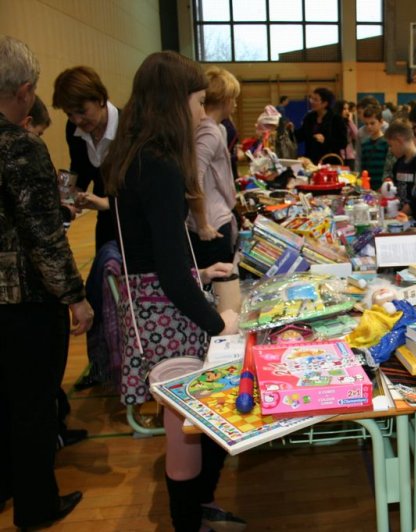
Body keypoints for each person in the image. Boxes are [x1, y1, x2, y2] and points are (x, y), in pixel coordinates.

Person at [101, 50, 242, 532]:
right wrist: (217, 323)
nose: (203, 113)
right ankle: (189, 520)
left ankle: (195, 510)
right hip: (166, 315)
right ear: (174, 101)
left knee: (187, 426)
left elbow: (150, 253)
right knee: (187, 427)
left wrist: (199, 275)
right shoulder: (158, 164)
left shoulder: (135, 155)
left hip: (153, 302)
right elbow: (164, 264)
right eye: (199, 102)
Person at [0, 34, 92, 529]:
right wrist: (75, 298)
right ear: (25, 91)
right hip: (23, 303)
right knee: (32, 404)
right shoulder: (21, 146)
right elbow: (43, 238)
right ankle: (36, 506)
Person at [52, 66, 119, 251]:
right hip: (106, 221)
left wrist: (106, 203)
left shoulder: (129, 127)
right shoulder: (73, 129)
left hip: (134, 221)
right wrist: (65, 197)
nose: (77, 120)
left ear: (100, 99)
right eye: (69, 114)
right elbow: (77, 169)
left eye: (82, 111)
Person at [186, 66, 239, 268]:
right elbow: (193, 178)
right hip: (212, 226)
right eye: (233, 98)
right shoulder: (209, 131)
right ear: (225, 100)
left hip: (215, 219)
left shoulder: (217, 129)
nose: (234, 104)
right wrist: (202, 225)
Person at [295, 87, 347, 165]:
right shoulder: (309, 118)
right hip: (311, 162)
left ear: (325, 103)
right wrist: (289, 131)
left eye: (315, 100)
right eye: (311, 99)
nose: (311, 102)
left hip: (330, 162)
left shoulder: (336, 119)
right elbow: (301, 135)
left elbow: (343, 143)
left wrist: (325, 141)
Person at [385, 119, 416, 214]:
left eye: (391, 145)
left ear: (399, 140)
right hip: (400, 215)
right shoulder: (398, 164)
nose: (390, 149)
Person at [359, 104, 389, 189]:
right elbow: (363, 167)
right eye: (366, 124)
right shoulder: (364, 143)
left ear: (381, 122)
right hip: (368, 186)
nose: (369, 127)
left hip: (382, 186)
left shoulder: (386, 143)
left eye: (372, 123)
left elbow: (388, 168)